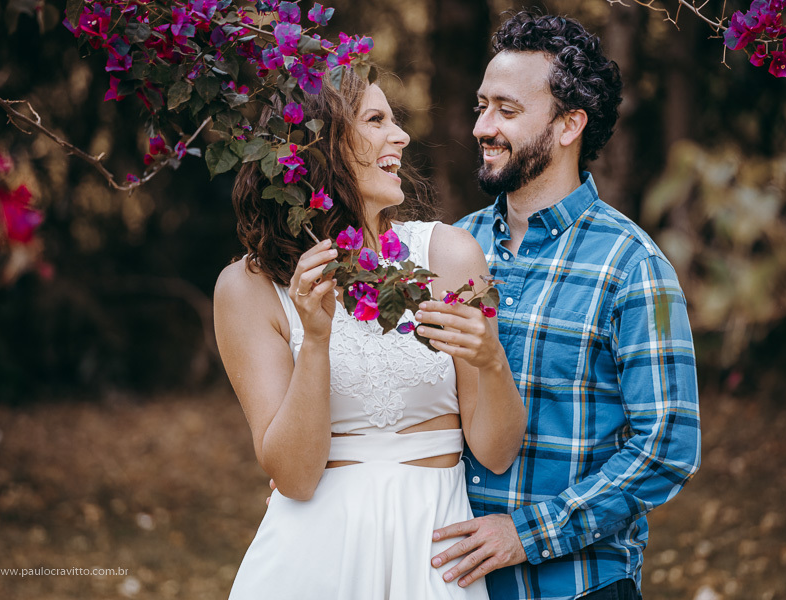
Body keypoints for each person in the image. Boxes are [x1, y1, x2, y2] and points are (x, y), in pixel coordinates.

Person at [213, 68, 527, 599]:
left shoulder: (448, 256)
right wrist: (316, 341)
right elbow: (296, 478)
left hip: (434, 551)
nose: (400, 136)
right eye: (376, 120)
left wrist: (492, 361)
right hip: (313, 558)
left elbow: (496, 453)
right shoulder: (248, 287)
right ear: (318, 146)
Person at [428, 12, 702, 600]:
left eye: (506, 110)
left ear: (569, 125)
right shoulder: (450, 248)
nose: (481, 127)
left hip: (577, 586)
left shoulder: (634, 266)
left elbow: (667, 447)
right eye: (481, 106)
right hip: (449, 584)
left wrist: (529, 534)